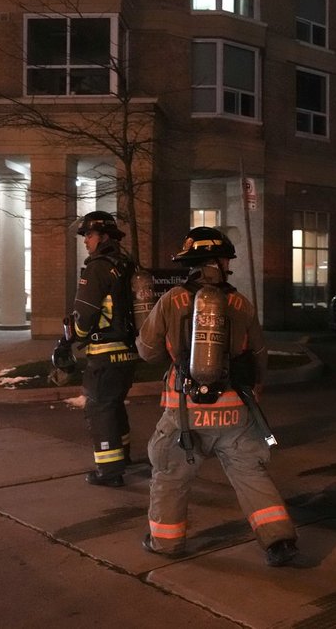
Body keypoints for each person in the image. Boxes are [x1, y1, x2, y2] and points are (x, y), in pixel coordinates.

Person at [135, 227, 298, 567]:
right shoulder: (241, 303)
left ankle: (165, 544)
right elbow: (259, 355)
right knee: (250, 473)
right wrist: (256, 390)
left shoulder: (172, 300)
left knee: (169, 474)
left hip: (184, 412)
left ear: (191, 263)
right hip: (234, 413)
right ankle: (279, 541)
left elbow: (148, 351)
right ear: (222, 262)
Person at [66, 211, 138, 488]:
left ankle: (109, 472)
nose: (86, 241)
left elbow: (84, 315)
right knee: (114, 405)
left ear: (104, 237)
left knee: (100, 409)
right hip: (128, 353)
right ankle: (123, 457)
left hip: (105, 353)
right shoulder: (126, 265)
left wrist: (75, 337)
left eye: (89, 235)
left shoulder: (97, 268)